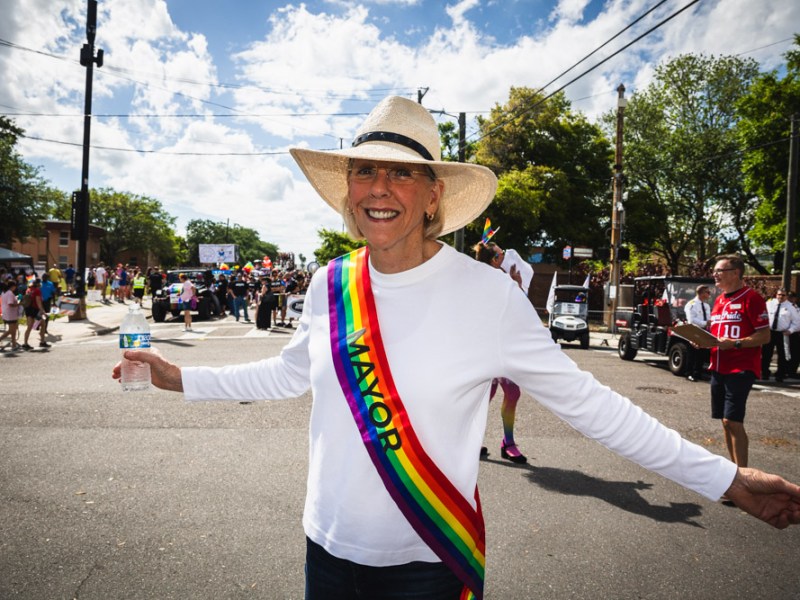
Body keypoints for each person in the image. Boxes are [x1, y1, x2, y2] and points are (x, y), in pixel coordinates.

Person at [114, 96, 800, 600]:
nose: (379, 189)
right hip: (324, 554)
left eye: (401, 174)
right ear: (347, 193)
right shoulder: (329, 282)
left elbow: (594, 407)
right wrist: (179, 377)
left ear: (434, 195)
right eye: (364, 173)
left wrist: (727, 479)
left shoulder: (488, 296)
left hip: (429, 564)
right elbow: (290, 374)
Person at [707, 255, 771, 469]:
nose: (715, 274)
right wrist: (704, 341)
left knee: (733, 421)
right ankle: (734, 473)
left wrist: (735, 343)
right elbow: (716, 334)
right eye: (714, 271)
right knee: (725, 423)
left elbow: (764, 336)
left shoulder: (751, 298)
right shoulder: (719, 300)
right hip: (717, 368)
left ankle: (743, 476)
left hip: (740, 368)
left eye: (720, 271)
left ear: (736, 273)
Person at [473, 240, 530, 464]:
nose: (505, 256)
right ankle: (505, 443)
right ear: (495, 260)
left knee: (496, 394)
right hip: (489, 348)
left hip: (502, 346)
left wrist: (516, 283)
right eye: (501, 254)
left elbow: (519, 309)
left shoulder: (500, 279)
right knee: (495, 394)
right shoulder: (487, 281)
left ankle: (503, 442)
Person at [761, 288, 800, 383]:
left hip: (782, 333)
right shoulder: (769, 304)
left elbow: (797, 322)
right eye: (779, 294)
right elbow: (763, 315)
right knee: (766, 354)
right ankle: (765, 373)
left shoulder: (791, 307)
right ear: (776, 295)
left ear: (786, 296)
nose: (781, 297)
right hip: (769, 332)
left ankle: (780, 375)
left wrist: (790, 330)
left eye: (783, 295)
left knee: (782, 355)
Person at [684, 284, 713, 382]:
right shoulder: (691, 304)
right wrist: (705, 323)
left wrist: (709, 324)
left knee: (702, 353)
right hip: (694, 330)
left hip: (704, 330)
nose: (709, 294)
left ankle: (698, 373)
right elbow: (691, 320)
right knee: (692, 353)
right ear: (701, 293)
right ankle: (689, 373)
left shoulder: (707, 305)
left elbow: (709, 318)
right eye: (707, 292)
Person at [22, 278, 46, 351]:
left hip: (28, 310)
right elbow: (38, 302)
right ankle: (42, 341)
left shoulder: (29, 290)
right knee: (43, 324)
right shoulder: (37, 291)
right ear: (38, 284)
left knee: (29, 327)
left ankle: (25, 343)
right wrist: (43, 311)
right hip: (35, 311)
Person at [0, 279, 21, 352]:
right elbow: (10, 304)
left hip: (7, 313)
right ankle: (12, 344)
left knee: (13, 330)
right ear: (13, 286)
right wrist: (19, 304)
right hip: (10, 314)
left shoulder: (4, 292)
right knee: (11, 330)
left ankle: (14, 344)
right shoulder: (10, 293)